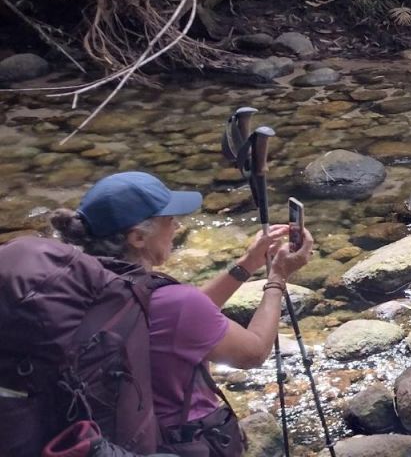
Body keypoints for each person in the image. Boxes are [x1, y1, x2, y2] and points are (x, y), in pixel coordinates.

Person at [48, 172, 315, 457]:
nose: (177, 225)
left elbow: (187, 315)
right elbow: (253, 352)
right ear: (138, 237)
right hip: (177, 442)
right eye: (168, 219)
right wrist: (277, 278)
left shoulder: (82, 283)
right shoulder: (171, 303)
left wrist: (247, 264)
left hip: (105, 437)